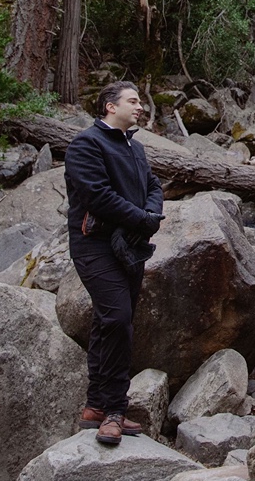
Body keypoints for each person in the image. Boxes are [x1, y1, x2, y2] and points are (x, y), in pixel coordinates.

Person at [65, 81, 164, 446]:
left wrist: (151, 213)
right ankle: (114, 411)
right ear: (110, 106)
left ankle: (95, 406)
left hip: (131, 246)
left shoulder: (135, 148)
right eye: (132, 101)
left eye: (139, 102)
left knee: (108, 322)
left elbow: (154, 185)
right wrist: (142, 218)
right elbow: (98, 196)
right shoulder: (85, 144)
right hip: (95, 244)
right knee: (118, 318)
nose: (140, 107)